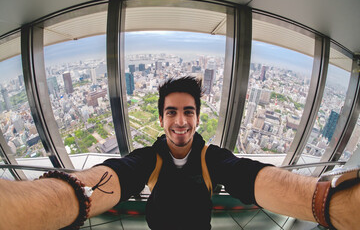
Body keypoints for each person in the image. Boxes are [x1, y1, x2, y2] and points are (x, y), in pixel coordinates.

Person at [0, 76, 359, 230]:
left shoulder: (211, 157)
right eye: (171, 112)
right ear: (161, 118)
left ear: (198, 117)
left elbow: (250, 177)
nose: (181, 121)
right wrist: (62, 196)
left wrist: (325, 202)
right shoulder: (149, 157)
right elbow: (115, 175)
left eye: (188, 111)